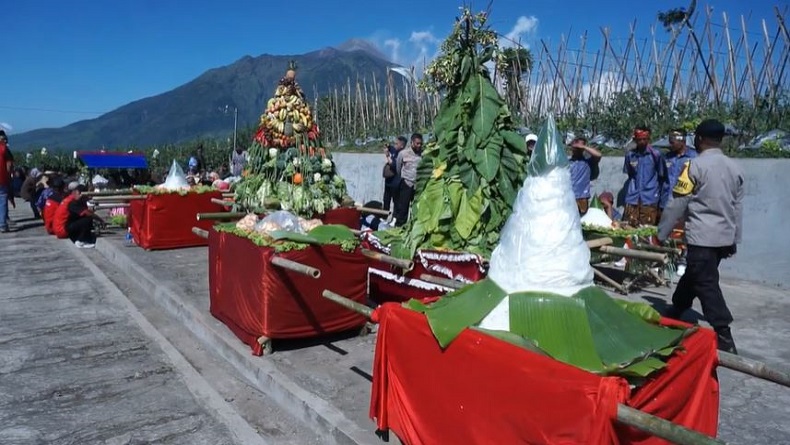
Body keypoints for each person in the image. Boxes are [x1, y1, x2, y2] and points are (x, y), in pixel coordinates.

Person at [657, 119, 744, 354]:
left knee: (706, 283)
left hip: (701, 237)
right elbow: (737, 207)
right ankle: (678, 307)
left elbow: (677, 203)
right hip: (723, 237)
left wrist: (662, 233)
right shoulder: (734, 167)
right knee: (697, 274)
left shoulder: (693, 167)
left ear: (699, 139)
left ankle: (723, 333)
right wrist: (734, 238)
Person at [662, 128, 698, 277]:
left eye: (673, 142)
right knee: (667, 233)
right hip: (668, 201)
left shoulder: (695, 157)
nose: (670, 145)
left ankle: (683, 261)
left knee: (685, 233)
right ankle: (667, 261)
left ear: (682, 140)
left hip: (686, 202)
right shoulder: (667, 158)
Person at [622, 126, 667, 226]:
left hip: (649, 198)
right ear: (635, 139)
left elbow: (662, 176)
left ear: (648, 138)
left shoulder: (656, 154)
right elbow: (630, 174)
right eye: (639, 139)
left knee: (647, 229)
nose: (642, 141)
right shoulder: (630, 155)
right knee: (629, 227)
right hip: (632, 197)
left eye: (644, 139)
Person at [394, 133, 423, 227]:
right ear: (412, 142)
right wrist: (404, 177)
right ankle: (399, 228)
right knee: (403, 209)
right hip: (406, 184)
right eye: (417, 143)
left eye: (420, 144)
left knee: (417, 209)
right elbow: (398, 168)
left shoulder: (423, 154)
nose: (419, 145)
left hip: (418, 186)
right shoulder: (403, 153)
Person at [568, 137, 602, 215]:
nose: (578, 148)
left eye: (581, 146)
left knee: (582, 219)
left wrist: (583, 147)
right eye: (577, 146)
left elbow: (598, 155)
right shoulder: (567, 163)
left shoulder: (588, 162)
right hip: (569, 196)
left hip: (582, 196)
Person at [66, 184, 105, 248]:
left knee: (88, 220)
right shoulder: (73, 203)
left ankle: (86, 239)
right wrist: (100, 220)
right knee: (88, 219)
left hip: (72, 225)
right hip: (69, 227)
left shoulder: (80, 201)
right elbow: (87, 213)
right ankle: (80, 241)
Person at [383, 136, 406, 213]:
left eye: (397, 144)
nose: (395, 145)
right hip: (388, 181)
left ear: (402, 146)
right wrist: (387, 145)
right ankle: (384, 217)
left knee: (396, 201)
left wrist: (387, 156)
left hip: (395, 182)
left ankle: (395, 217)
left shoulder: (402, 154)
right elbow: (389, 146)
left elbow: (394, 165)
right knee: (386, 200)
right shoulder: (394, 150)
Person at [0, 131, 14, 233]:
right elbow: (9, 165)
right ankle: (3, 224)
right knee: (2, 201)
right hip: (2, 178)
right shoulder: (4, 149)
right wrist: (9, 176)